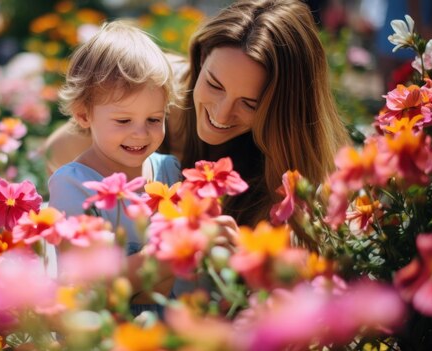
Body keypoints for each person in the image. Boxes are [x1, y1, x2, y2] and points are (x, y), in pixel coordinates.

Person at [44, 0, 350, 228]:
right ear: (202, 57)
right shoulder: (149, 93)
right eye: (215, 85)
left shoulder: (290, 160)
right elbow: (57, 153)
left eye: (250, 104)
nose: (221, 113)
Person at [47, 20, 180, 315]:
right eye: (123, 121)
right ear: (83, 115)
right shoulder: (73, 184)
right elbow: (86, 289)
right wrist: (169, 259)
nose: (141, 134)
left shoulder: (170, 171)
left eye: (154, 119)